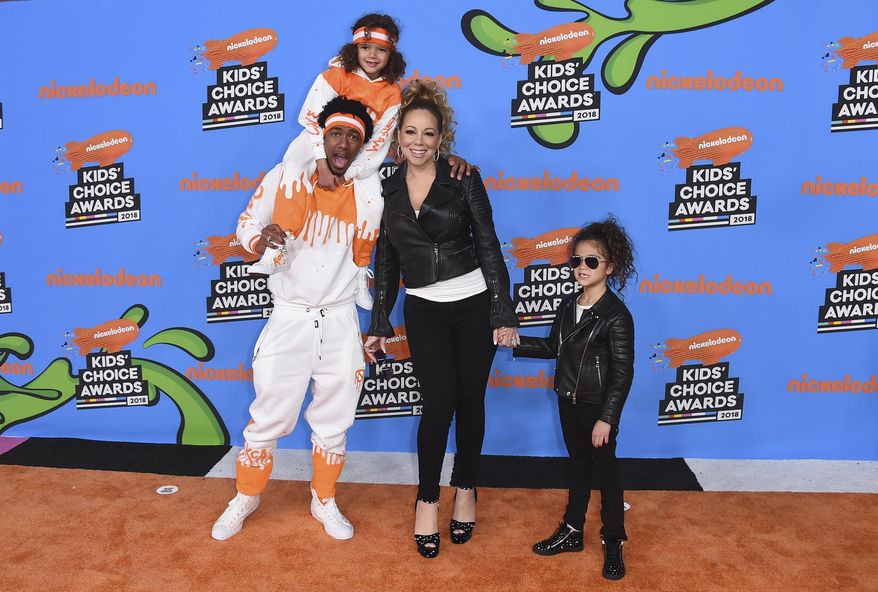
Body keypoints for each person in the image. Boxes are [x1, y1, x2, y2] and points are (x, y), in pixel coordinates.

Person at [211, 96, 380, 542]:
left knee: (335, 418)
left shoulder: (371, 189)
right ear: (321, 138)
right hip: (290, 316)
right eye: (336, 133)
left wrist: (453, 159)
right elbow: (246, 223)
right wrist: (257, 238)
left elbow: (419, 157)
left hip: (341, 318)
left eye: (354, 137)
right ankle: (245, 496)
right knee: (269, 415)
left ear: (363, 146)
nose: (344, 143)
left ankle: (323, 499)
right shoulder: (285, 177)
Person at [363, 80, 519, 559]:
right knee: (438, 407)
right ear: (397, 137)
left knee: (470, 402)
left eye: (429, 134)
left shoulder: (464, 178)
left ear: (441, 139)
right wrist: (379, 322)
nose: (418, 141)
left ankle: (466, 490)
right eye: (410, 131)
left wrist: (503, 309)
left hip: (473, 304)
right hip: (425, 309)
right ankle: (428, 499)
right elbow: (386, 261)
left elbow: (489, 245)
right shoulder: (383, 184)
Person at [513, 218, 635, 580]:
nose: (583, 268)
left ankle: (613, 540)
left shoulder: (617, 315)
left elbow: (623, 373)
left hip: (598, 408)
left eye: (592, 262)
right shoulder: (569, 304)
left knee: (607, 474)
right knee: (579, 469)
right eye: (577, 261)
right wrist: (516, 340)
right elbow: (555, 347)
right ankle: (572, 532)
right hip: (568, 400)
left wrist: (607, 418)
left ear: (610, 267)